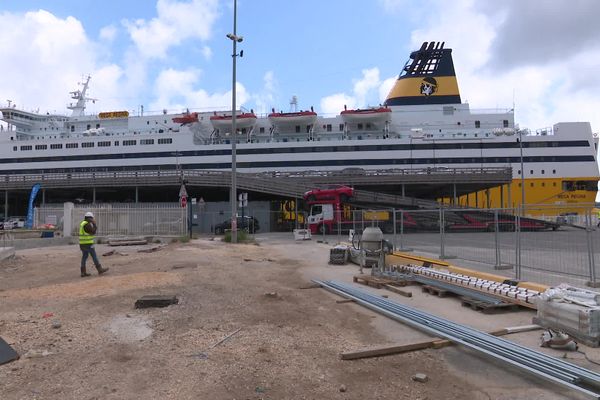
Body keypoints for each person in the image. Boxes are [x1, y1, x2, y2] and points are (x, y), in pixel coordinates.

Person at [79, 211, 108, 277]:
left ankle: (83, 272)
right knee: (94, 256)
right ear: (89, 218)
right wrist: (94, 225)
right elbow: (93, 232)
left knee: (84, 257)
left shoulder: (83, 223)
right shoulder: (87, 225)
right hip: (88, 244)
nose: (92, 219)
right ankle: (100, 269)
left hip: (82, 244)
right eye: (92, 218)